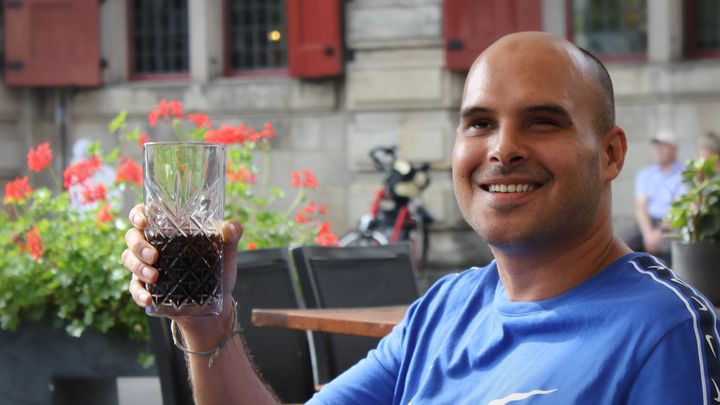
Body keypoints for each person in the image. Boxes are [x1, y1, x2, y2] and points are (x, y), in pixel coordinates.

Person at [122, 32, 719, 404]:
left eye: (543, 122)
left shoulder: (665, 329)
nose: (503, 149)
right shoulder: (442, 311)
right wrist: (207, 324)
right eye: (480, 123)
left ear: (610, 154)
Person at [629, 130, 684, 265]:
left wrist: (660, 232)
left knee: (668, 252)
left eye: (663, 145)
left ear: (674, 150)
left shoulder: (684, 174)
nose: (658, 149)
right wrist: (648, 234)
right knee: (625, 246)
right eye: (656, 145)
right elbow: (641, 207)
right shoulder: (645, 174)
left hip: (671, 224)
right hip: (647, 222)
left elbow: (678, 209)